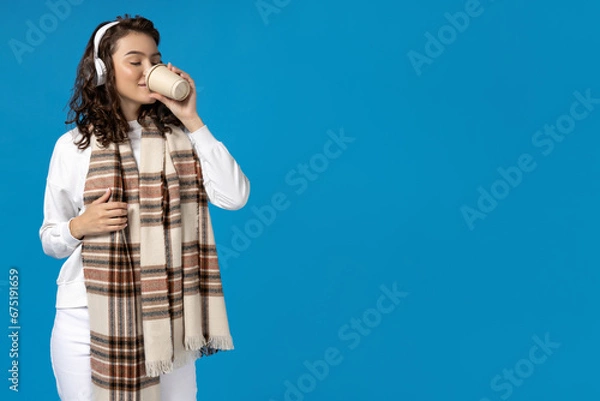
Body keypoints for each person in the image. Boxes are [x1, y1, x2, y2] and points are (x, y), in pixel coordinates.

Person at [39, 14, 250, 401]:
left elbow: (234, 197)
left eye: (154, 60)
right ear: (104, 71)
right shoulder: (72, 147)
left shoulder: (182, 139)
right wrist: (79, 226)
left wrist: (191, 118)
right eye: (135, 60)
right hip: (87, 317)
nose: (148, 70)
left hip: (168, 319)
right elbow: (51, 241)